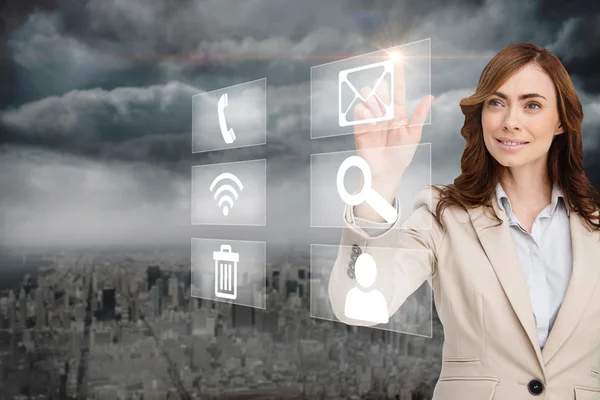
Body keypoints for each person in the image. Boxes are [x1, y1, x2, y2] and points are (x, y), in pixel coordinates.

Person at [327, 43, 600, 399]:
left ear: (561, 121)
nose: (510, 121)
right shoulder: (444, 214)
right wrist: (380, 183)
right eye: (496, 102)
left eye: (531, 105)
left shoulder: (593, 229)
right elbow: (357, 304)